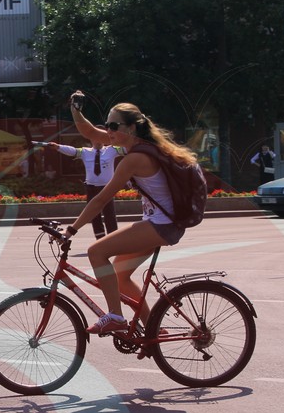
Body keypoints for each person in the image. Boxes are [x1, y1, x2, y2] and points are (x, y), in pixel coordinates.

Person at [63, 91, 195, 336]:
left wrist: (71, 230)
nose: (109, 130)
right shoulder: (139, 146)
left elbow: (101, 199)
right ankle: (154, 330)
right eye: (108, 125)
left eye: (114, 126)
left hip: (161, 225)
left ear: (132, 128)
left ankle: (115, 316)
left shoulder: (134, 159)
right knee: (120, 277)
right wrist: (75, 109)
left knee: (96, 252)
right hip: (161, 223)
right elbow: (91, 132)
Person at [48, 128, 126, 239]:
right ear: (91, 140)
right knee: (94, 215)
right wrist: (58, 147)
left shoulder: (112, 150)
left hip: (107, 188)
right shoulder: (85, 152)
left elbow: (127, 148)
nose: (98, 141)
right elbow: (72, 151)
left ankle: (113, 238)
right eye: (95, 138)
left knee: (109, 214)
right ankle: (100, 238)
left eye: (101, 138)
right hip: (91, 188)